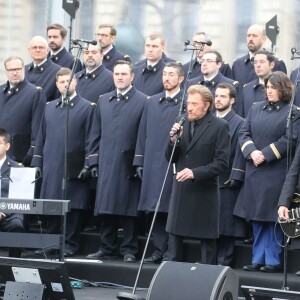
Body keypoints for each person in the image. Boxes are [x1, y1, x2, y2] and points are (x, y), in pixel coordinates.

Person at [234, 71, 299, 272]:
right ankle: (257, 257)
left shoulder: (293, 112)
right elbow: (244, 132)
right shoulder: (255, 108)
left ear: (284, 89)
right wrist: (253, 153)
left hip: (276, 170)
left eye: (273, 88)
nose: (269, 91)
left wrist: (265, 154)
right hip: (255, 168)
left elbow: (290, 139)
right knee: (256, 215)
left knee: (272, 217)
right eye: (268, 88)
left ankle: (272, 259)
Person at [85, 60, 147, 262]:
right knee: (105, 205)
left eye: (123, 74)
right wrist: (93, 161)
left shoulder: (143, 100)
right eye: (116, 74)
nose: (119, 77)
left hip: (128, 161)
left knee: (128, 208)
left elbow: (144, 134)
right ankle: (107, 246)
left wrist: (139, 161)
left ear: (132, 77)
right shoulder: (103, 100)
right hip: (106, 161)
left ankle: (129, 249)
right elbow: (95, 132)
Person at [31, 68, 95, 257]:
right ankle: (51, 243)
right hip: (51, 164)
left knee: (73, 206)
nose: (65, 85)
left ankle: (70, 244)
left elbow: (91, 138)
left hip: (73, 165)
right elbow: (41, 136)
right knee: (51, 205)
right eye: (61, 82)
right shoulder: (49, 107)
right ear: (56, 84)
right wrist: (37, 162)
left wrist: (88, 163)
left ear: (75, 82)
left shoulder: (87, 107)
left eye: (68, 81)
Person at [164, 84, 230, 264]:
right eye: (188, 103)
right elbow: (170, 158)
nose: (189, 108)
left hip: (204, 192)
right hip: (181, 191)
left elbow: (222, 163)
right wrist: (173, 141)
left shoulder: (220, 126)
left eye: (194, 104)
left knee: (207, 244)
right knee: (174, 241)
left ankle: (207, 282)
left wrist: (195, 173)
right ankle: (172, 277)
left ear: (207, 105)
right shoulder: (182, 121)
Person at [133, 62, 185, 264]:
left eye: (171, 74)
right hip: (153, 163)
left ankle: (172, 252)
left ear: (181, 79)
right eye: (165, 74)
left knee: (171, 208)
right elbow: (142, 132)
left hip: (173, 163)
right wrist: (139, 160)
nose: (166, 78)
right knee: (154, 206)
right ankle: (157, 250)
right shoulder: (151, 101)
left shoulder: (185, 103)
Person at [214, 83, 245, 266]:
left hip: (228, 178)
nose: (218, 99)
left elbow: (240, 153)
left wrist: (236, 176)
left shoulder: (240, 122)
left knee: (226, 224)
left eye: (223, 96)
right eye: (216, 96)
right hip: (209, 179)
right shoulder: (208, 119)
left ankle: (224, 262)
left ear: (232, 100)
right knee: (211, 224)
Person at [0, 56, 46, 166]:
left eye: (18, 69)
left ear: (23, 69)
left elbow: (38, 128)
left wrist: (32, 153)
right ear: (6, 71)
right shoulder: (1, 91)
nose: (14, 73)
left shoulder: (35, 93)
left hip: (22, 156)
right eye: (11, 70)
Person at [0, 128, 25, 258]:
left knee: (17, 226)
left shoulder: (17, 168)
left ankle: (13, 264)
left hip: (9, 212)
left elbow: (20, 197)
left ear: (7, 146)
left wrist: (3, 212)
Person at [25, 36, 61, 101]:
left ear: (47, 50)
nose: (38, 50)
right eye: (34, 47)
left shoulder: (58, 71)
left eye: (41, 47)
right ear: (29, 50)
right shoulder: (23, 70)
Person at [242, 50, 274, 117]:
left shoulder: (279, 87)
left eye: (262, 62)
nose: (258, 65)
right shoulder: (247, 88)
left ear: (271, 65)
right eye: (255, 62)